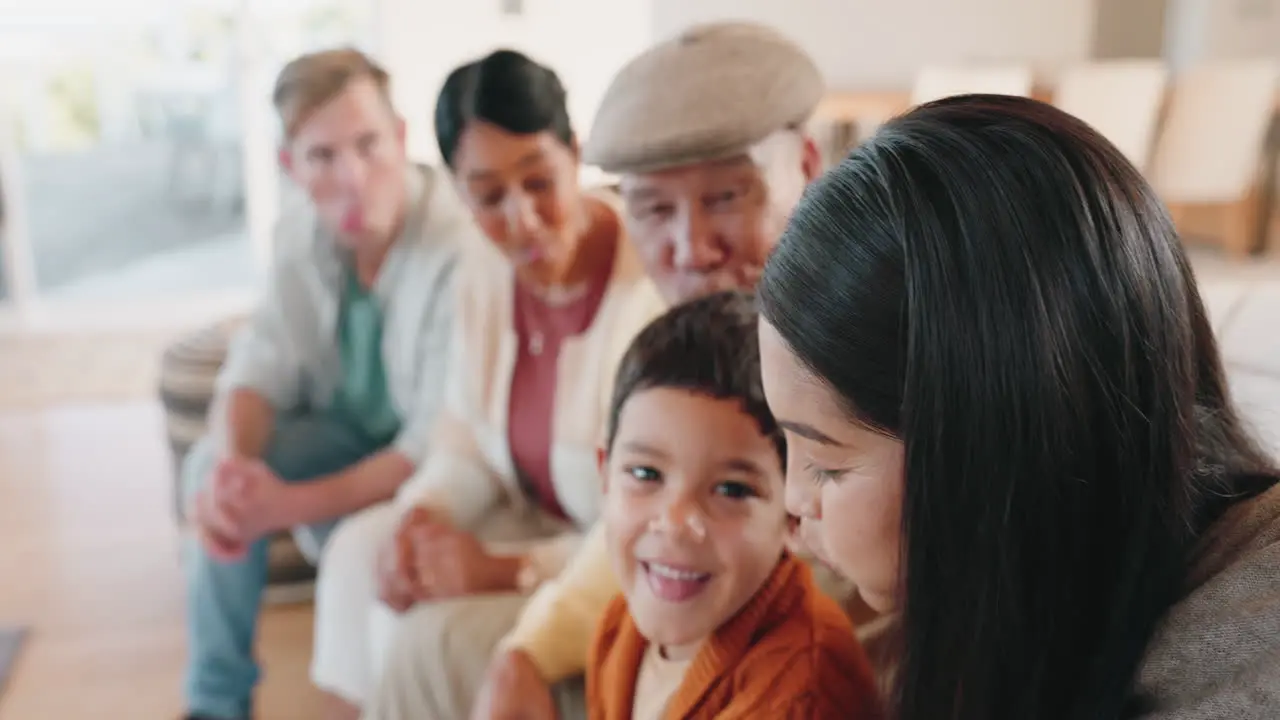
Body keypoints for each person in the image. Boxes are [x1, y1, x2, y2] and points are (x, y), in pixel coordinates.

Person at [757, 94, 1280, 720]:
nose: (792, 499)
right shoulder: (1058, 596)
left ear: (993, 447)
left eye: (825, 461)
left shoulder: (1238, 671)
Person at [462, 21, 837, 720]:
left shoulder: (852, 354)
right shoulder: (672, 343)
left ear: (808, 167)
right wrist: (531, 647)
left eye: (727, 197)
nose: (690, 249)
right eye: (655, 209)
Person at [312, 49, 664, 720]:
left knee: (415, 629)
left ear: (575, 154)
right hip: (526, 517)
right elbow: (466, 440)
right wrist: (421, 518)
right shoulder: (481, 271)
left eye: (539, 182)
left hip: (598, 558)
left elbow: (638, 527)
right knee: (360, 554)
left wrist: (498, 571)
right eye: (488, 195)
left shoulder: (641, 295)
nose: (521, 220)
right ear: (458, 191)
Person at [180, 48, 476, 720]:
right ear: (291, 166)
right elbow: (257, 368)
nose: (352, 178)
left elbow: (429, 444)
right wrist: (233, 474)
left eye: (369, 145)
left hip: (436, 470)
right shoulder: (298, 231)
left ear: (401, 139)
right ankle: (213, 705)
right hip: (337, 442)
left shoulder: (457, 247)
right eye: (321, 157)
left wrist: (281, 507)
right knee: (206, 469)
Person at [587, 291, 882, 719]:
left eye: (731, 490)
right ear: (604, 473)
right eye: (646, 474)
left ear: (793, 514)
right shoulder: (618, 631)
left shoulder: (802, 692)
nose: (675, 522)